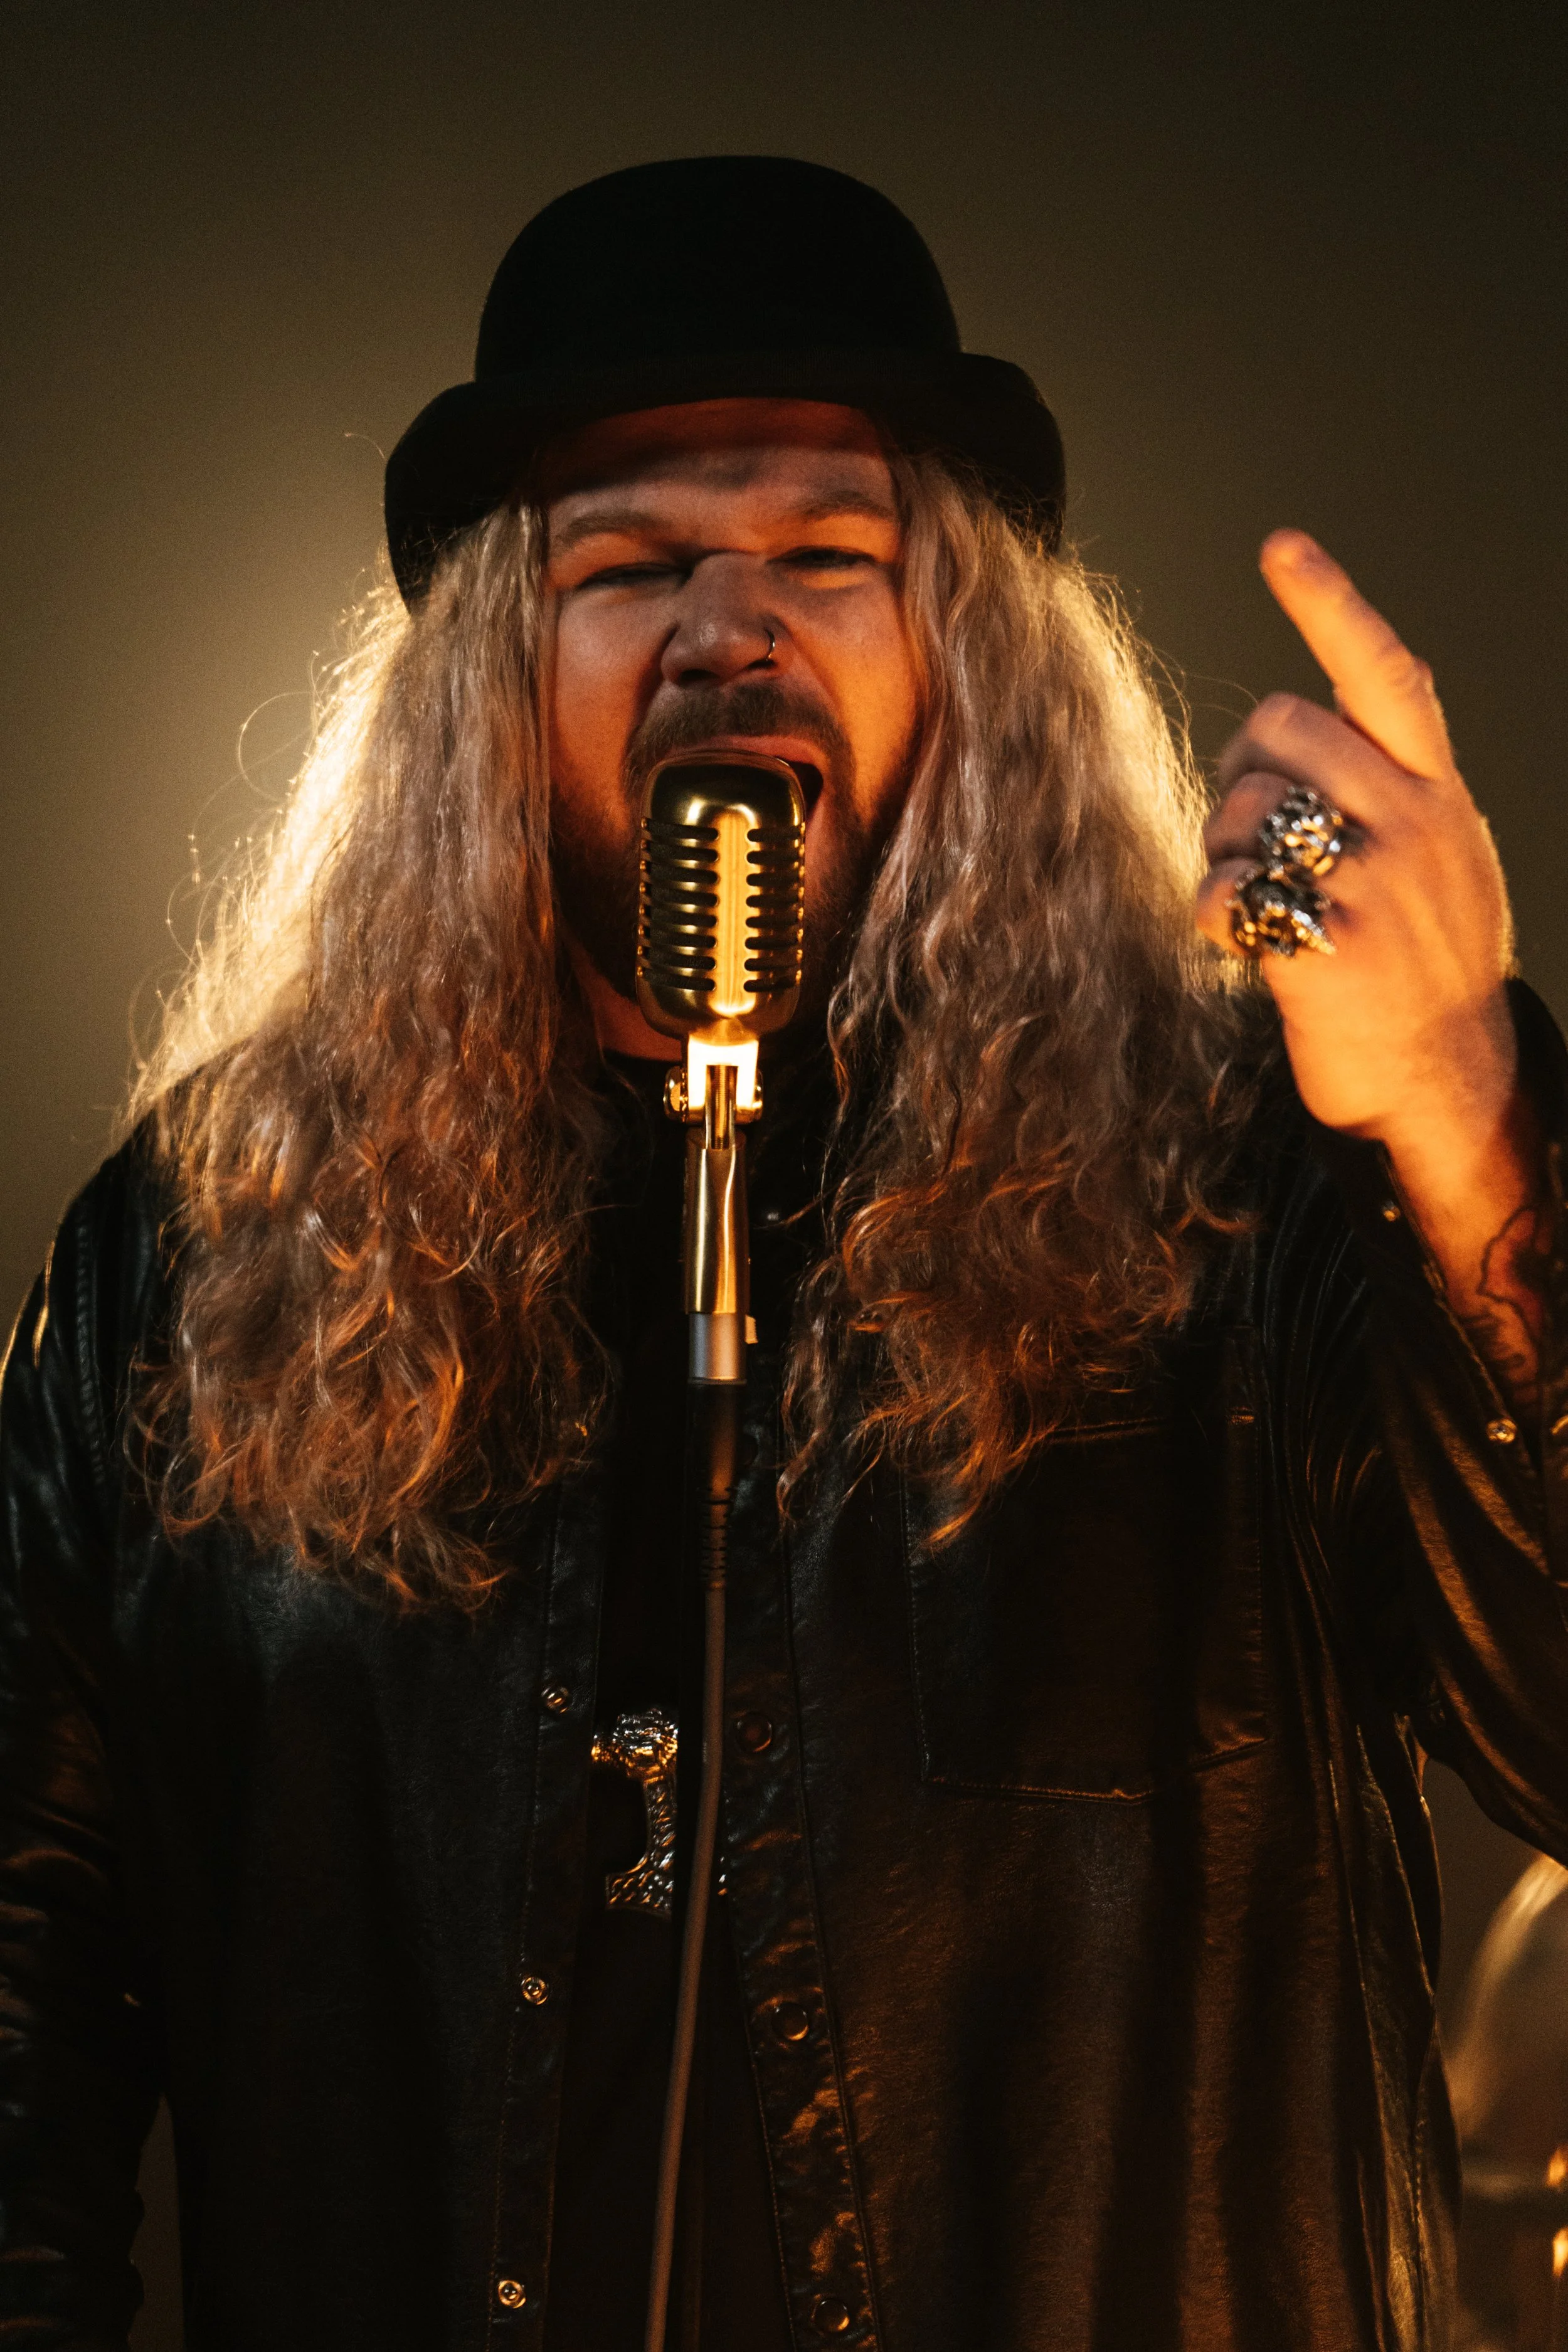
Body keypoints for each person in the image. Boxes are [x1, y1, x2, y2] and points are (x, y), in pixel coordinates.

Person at [1, 152, 1565, 2352]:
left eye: (829, 558)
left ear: (960, 654)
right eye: (630, 565)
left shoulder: (1240, 1177)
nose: (728, 628)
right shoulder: (207, 1254)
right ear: (482, 678)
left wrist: (1462, 1115)